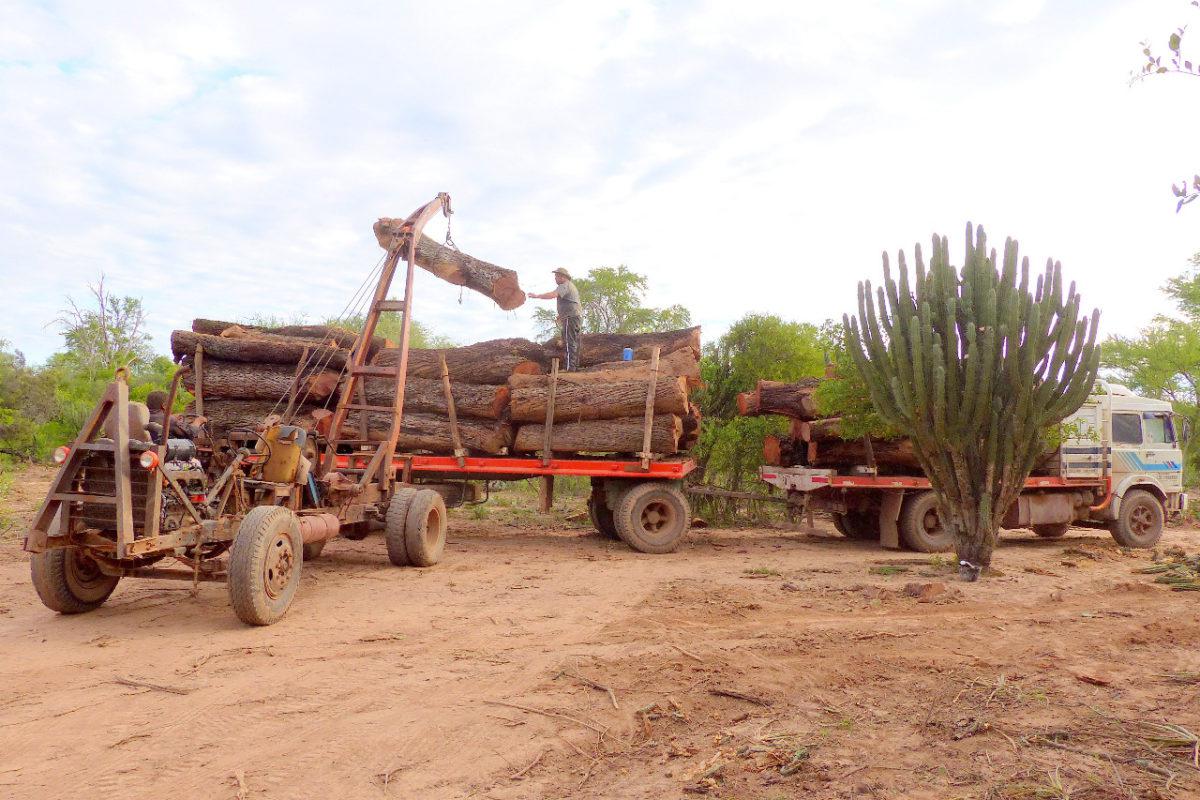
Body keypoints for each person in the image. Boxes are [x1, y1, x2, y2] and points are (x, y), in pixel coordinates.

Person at [530, 267, 583, 370]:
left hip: (570, 317)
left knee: (568, 342)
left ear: (563, 277)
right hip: (574, 316)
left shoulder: (564, 286)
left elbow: (552, 295)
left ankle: (570, 368)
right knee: (574, 341)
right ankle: (574, 366)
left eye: (557, 276)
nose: (555, 278)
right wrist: (561, 315)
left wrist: (537, 296)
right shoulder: (570, 286)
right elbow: (571, 302)